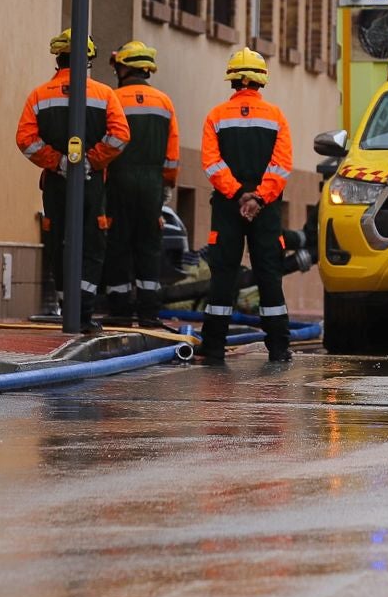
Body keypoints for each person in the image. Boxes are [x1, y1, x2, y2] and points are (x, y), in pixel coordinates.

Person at [15, 30, 130, 330]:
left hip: (55, 181)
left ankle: (67, 307)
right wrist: (91, 160)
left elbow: (26, 140)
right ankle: (84, 313)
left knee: (58, 242)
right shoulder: (105, 95)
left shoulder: (39, 96)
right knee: (92, 243)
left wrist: (58, 162)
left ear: (57, 58)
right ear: (89, 60)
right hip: (92, 181)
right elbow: (120, 136)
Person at [199, 49, 295, 363]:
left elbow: (211, 164)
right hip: (265, 209)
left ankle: (213, 348)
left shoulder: (216, 116)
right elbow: (281, 166)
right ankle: (279, 348)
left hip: (228, 206)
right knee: (269, 273)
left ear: (233, 80)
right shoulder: (276, 116)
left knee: (223, 273)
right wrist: (259, 198)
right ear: (260, 80)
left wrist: (238, 193)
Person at [102, 41, 179, 328]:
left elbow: (105, 142)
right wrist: (167, 185)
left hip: (118, 182)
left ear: (124, 68)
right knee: (148, 246)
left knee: (118, 244)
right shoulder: (164, 102)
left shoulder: (113, 98)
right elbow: (172, 154)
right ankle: (148, 312)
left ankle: (120, 310)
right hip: (151, 186)